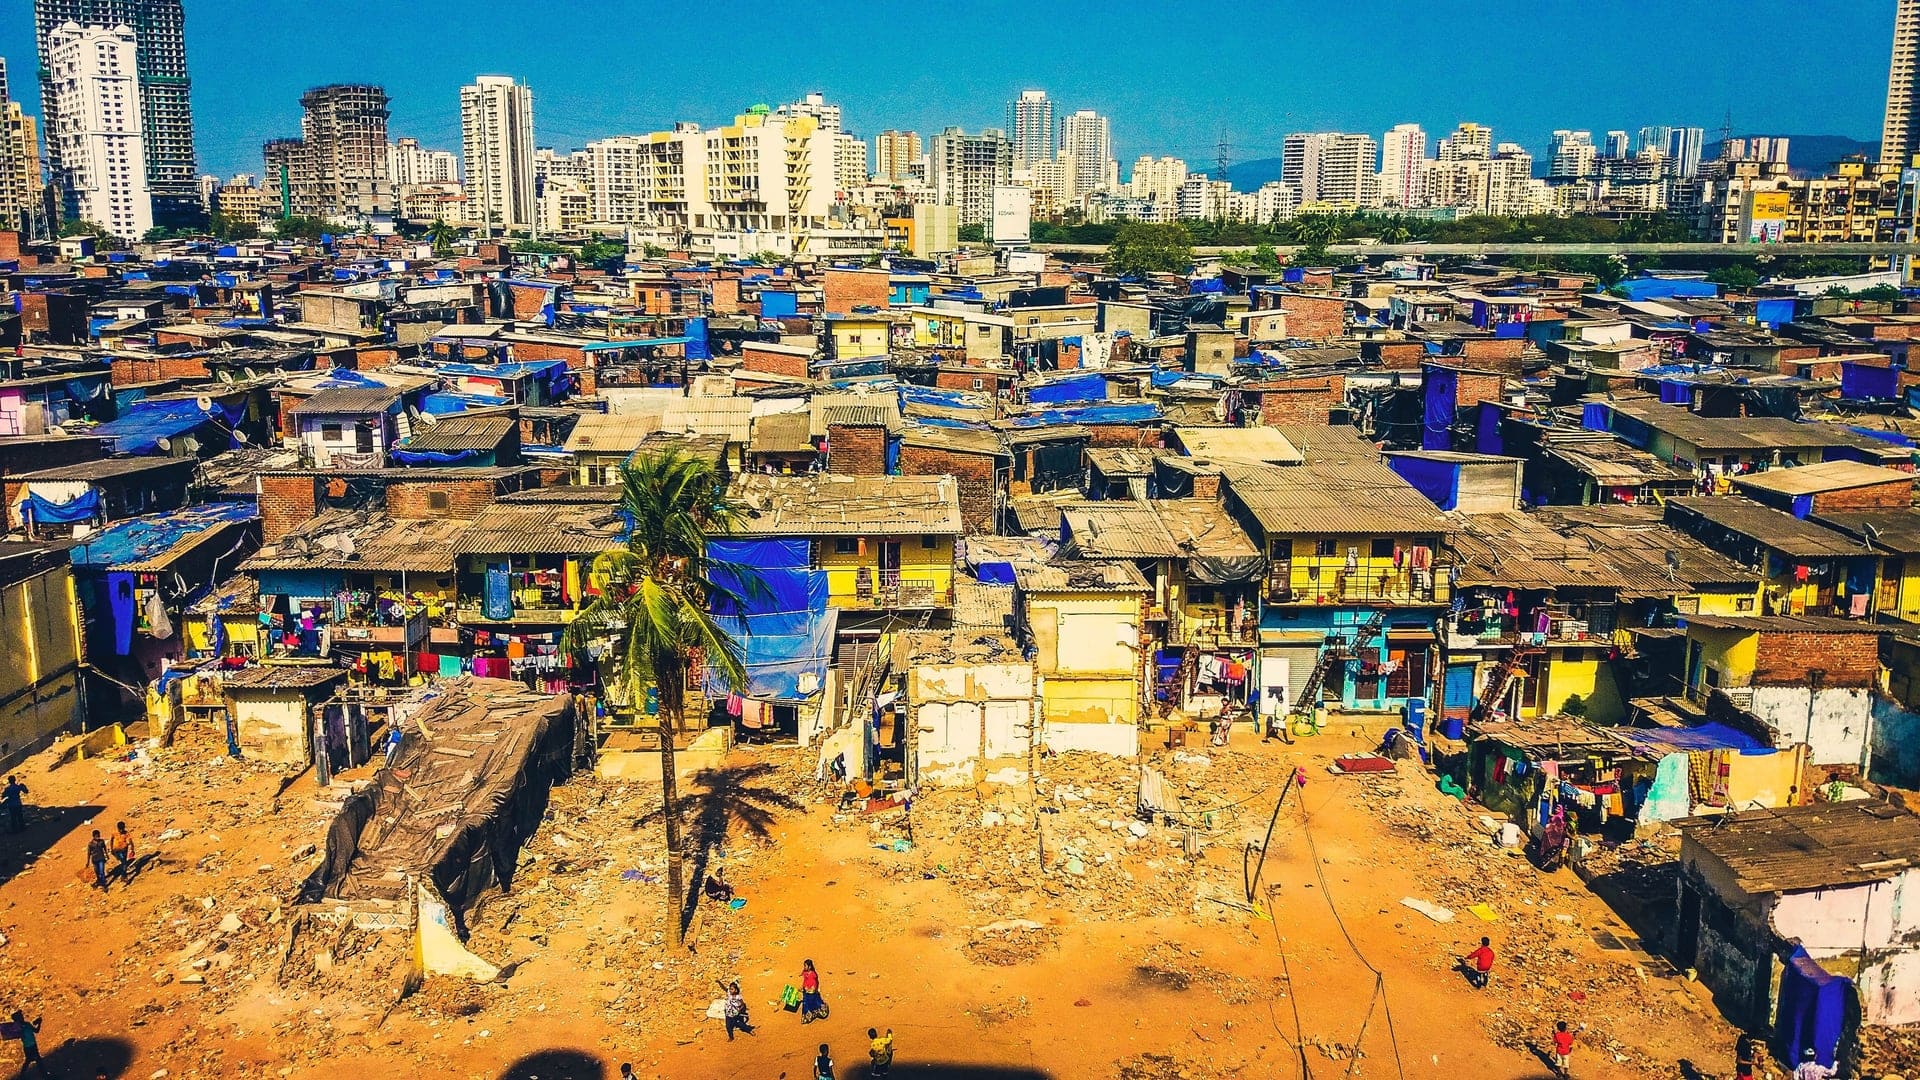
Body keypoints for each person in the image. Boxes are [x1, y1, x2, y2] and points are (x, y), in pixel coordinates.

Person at [5, 1010, 42, 1075]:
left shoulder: (25, 1025)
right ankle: (43, 1073)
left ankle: (23, 1074)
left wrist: (39, 1023)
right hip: (30, 1046)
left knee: (33, 1060)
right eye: (21, 1016)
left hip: (30, 1046)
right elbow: (36, 1031)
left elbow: (36, 1031)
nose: (22, 1017)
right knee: (33, 1060)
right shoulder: (21, 1027)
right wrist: (39, 1023)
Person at [799, 958, 826, 1023]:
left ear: (809, 967)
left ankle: (811, 1015)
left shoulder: (813, 975)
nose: (804, 967)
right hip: (806, 992)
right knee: (806, 1004)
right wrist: (803, 988)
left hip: (811, 993)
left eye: (805, 966)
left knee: (810, 1003)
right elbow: (805, 981)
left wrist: (808, 990)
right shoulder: (805, 972)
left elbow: (814, 986)